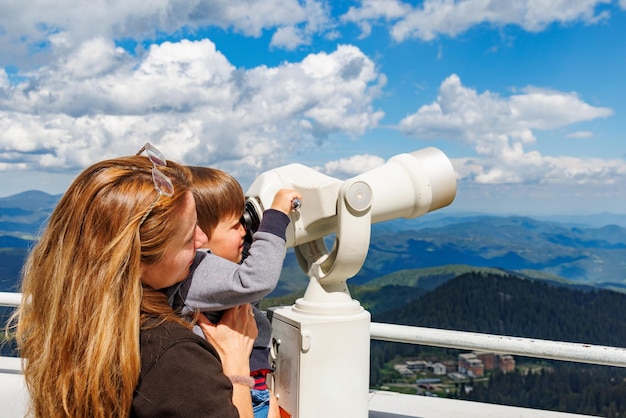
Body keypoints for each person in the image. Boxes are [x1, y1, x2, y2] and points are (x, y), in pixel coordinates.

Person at [10, 143, 257, 417]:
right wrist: (236, 371)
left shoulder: (70, 327)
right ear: (137, 261)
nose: (201, 241)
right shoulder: (176, 358)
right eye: (188, 238)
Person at [167, 166, 301, 418]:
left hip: (247, 385)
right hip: (237, 391)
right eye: (234, 225)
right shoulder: (197, 271)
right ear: (199, 238)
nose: (244, 230)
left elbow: (246, 282)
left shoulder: (212, 275)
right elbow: (256, 280)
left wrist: (250, 235)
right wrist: (275, 218)